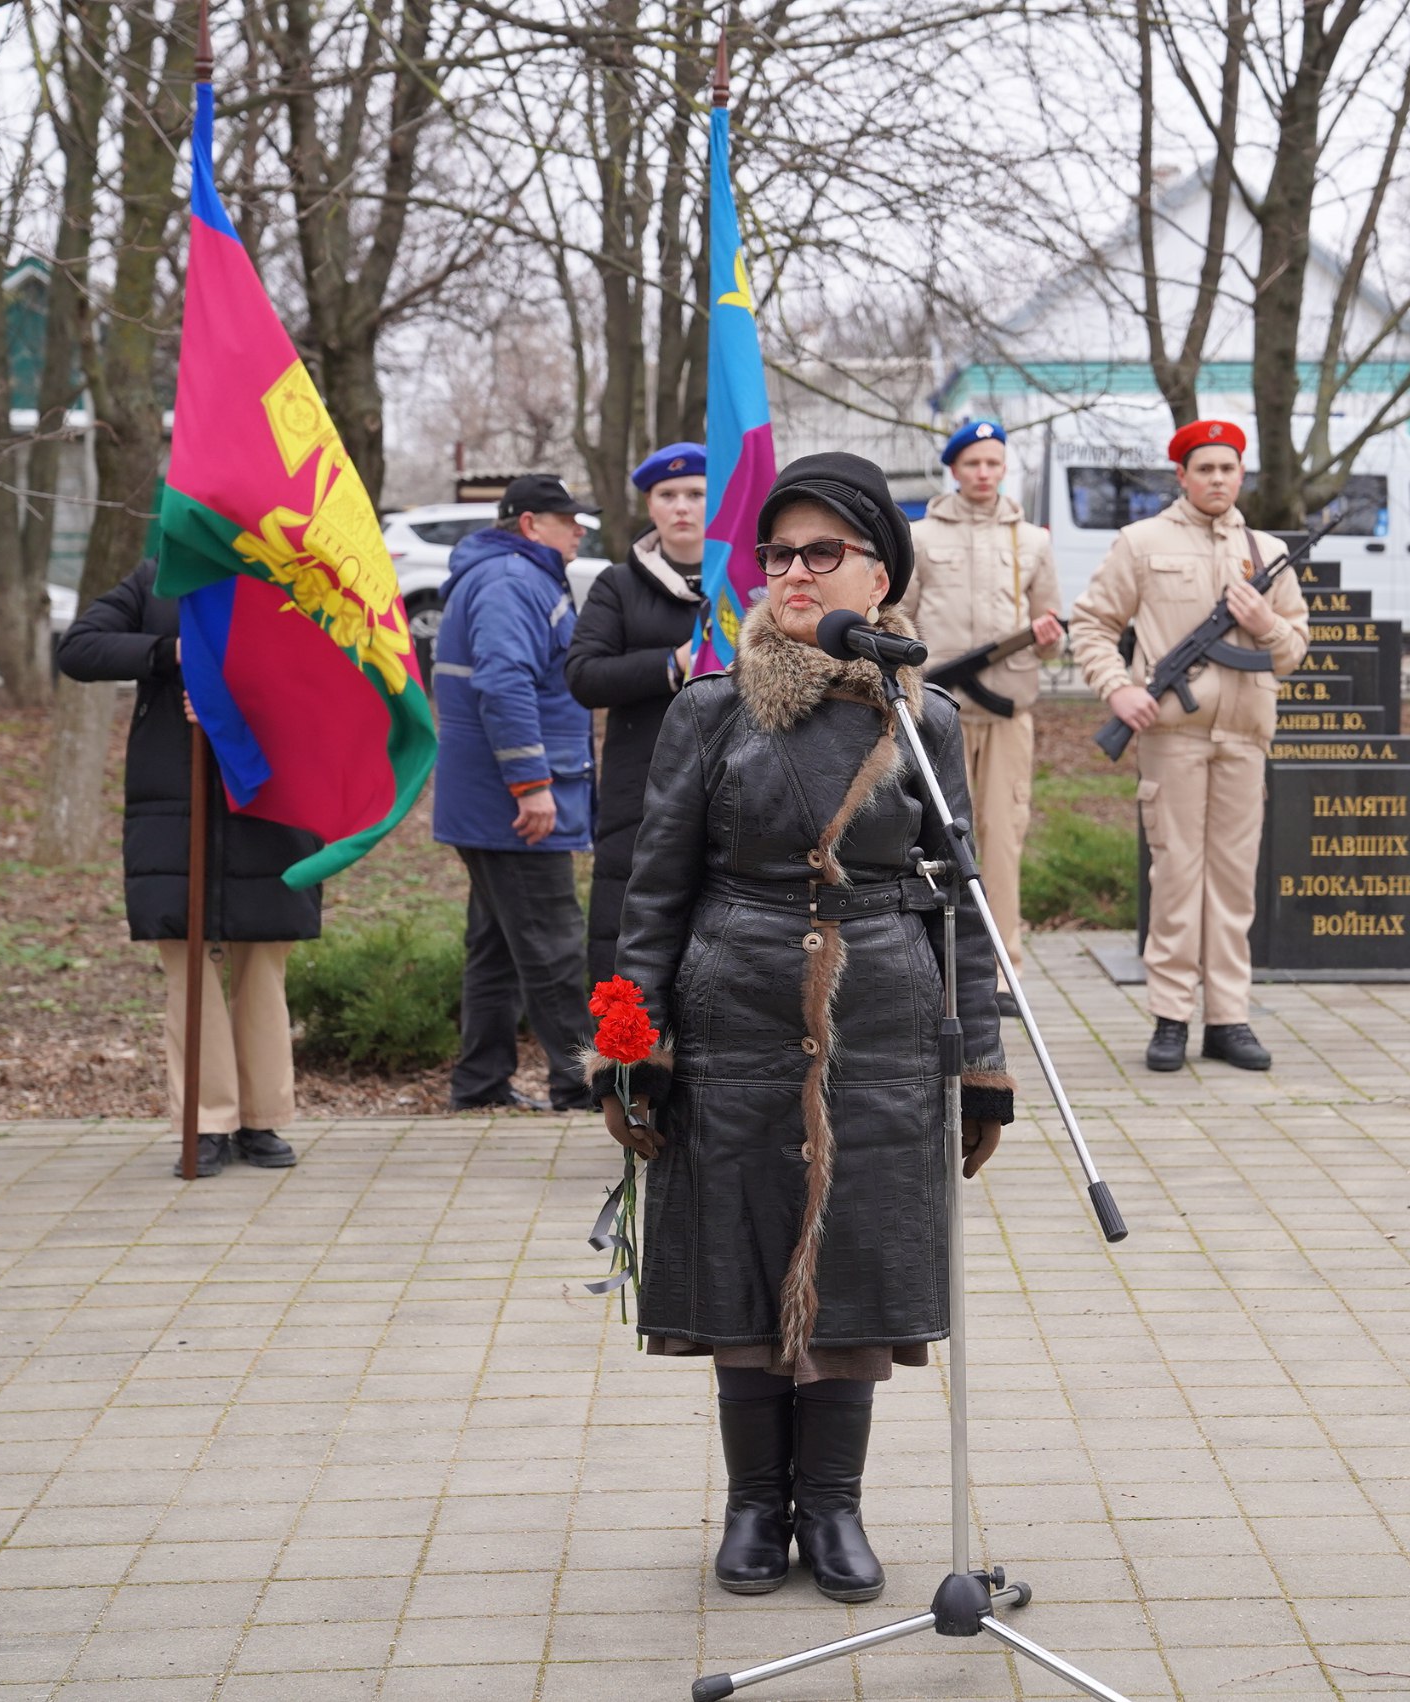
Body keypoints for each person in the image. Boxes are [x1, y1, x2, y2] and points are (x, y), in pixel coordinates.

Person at [594, 450, 1011, 1605]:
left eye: (821, 553)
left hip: (880, 1009)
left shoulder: (922, 715)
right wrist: (635, 1044)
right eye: (776, 553)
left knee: (856, 1253)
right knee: (740, 1242)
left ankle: (831, 1504)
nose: (791, 571)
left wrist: (979, 1056)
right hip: (734, 998)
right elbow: (654, 885)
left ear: (878, 577)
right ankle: (750, 1508)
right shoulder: (712, 710)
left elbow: (963, 902)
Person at [55, 559, 317, 1174]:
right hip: (175, 804)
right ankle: (208, 1120)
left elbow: (327, 674)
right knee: (187, 965)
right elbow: (82, 649)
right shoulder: (156, 579)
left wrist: (237, 703)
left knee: (262, 966)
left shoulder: (291, 578)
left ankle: (261, 1118)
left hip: (269, 800)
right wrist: (176, 653)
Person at [1066, 420, 1309, 1073]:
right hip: (1172, 736)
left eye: (1228, 469)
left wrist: (1265, 625)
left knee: (1234, 882)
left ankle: (1228, 1018)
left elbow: (1296, 650)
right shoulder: (1141, 543)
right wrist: (1117, 690)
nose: (1218, 480)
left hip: (1245, 736)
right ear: (1182, 475)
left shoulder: (1265, 551)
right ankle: (1171, 1017)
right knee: (1176, 877)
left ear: (1241, 474)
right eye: (1205, 469)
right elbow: (1091, 623)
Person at [432, 474, 600, 1112]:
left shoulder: (509, 575)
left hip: (490, 801)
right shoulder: (511, 581)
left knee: (497, 945)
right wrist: (532, 786)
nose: (580, 528)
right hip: (514, 805)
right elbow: (503, 685)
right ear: (530, 524)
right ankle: (581, 1089)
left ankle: (479, 1084)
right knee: (553, 943)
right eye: (569, 519)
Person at [903, 419, 1061, 982]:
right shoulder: (920, 537)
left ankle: (999, 971)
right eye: (973, 463)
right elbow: (900, 619)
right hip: (937, 713)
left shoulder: (1032, 541)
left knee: (1001, 839)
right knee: (933, 839)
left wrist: (1050, 638)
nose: (984, 473)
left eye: (993, 463)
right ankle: (936, 967)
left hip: (1006, 712)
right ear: (954, 469)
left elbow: (1050, 634)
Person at [567, 442, 705, 986]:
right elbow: (584, 675)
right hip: (640, 786)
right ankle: (626, 1067)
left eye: (695, 493)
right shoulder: (617, 586)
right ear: (650, 506)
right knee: (627, 939)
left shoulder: (751, 584)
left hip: (738, 781)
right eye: (667, 495)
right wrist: (672, 665)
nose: (681, 507)